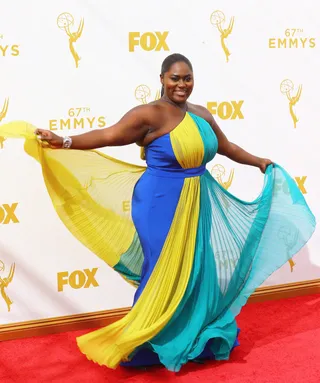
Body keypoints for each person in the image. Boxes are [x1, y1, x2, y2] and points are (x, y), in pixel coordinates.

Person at [0, 53, 315, 372]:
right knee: (161, 269)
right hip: (158, 202)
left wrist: (259, 161)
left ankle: (188, 337)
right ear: (162, 79)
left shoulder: (201, 114)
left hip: (197, 199)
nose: (182, 84)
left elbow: (227, 147)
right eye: (175, 78)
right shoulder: (147, 114)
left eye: (187, 78)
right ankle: (144, 341)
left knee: (195, 267)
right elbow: (109, 136)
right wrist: (65, 140)